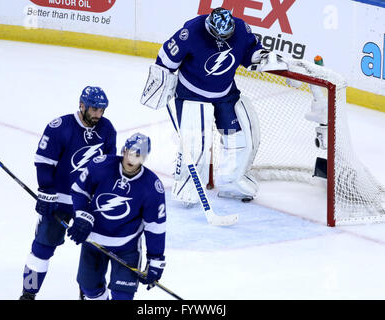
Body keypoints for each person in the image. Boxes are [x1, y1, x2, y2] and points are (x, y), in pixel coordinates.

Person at [140, 7, 278, 206]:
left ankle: (232, 181)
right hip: (191, 94)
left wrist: (263, 57)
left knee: (238, 136)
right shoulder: (192, 31)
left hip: (225, 95)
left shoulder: (241, 29)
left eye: (227, 36)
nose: (222, 41)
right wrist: (162, 82)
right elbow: (166, 58)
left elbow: (251, 52)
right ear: (209, 27)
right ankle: (187, 186)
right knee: (195, 142)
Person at [20, 86, 117, 300]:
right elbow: (44, 162)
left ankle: (88, 292)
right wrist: (46, 191)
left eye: (102, 110)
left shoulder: (107, 129)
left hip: (90, 206)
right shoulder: (60, 127)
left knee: (93, 256)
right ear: (81, 105)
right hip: (59, 202)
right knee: (42, 249)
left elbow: (110, 170)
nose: (98, 114)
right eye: (94, 109)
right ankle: (28, 293)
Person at [67, 132, 166, 300]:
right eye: (128, 152)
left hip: (126, 246)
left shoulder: (152, 187)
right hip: (93, 240)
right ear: (124, 150)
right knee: (89, 289)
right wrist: (82, 215)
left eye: (137, 155)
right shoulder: (101, 165)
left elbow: (155, 226)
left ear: (144, 158)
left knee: (122, 297)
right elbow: (79, 190)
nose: (131, 158)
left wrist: (155, 259)